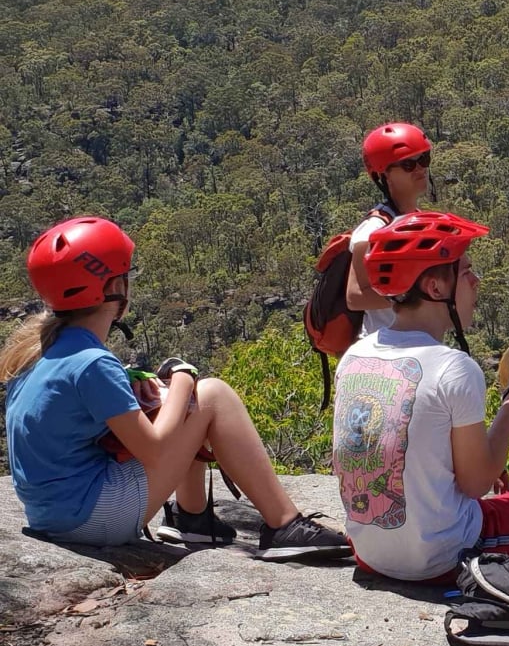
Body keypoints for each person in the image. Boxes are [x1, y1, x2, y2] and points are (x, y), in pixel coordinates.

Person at [2, 217, 351, 560]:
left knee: (174, 403)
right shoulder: (93, 362)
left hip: (53, 516)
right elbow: (155, 450)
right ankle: (284, 524)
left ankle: (194, 519)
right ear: (113, 288)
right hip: (92, 520)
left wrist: (159, 392)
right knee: (211, 394)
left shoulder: (41, 352)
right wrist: (184, 376)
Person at [331, 210, 509, 583]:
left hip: (369, 554)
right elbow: (476, 483)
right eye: (466, 272)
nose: (477, 281)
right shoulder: (453, 367)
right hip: (442, 560)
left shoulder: (354, 356)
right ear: (435, 288)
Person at [346, 122, 432, 339]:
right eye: (408, 164)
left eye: (423, 159)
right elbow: (355, 296)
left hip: (415, 342)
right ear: (384, 175)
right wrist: (414, 294)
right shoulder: (373, 230)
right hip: (382, 346)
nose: (420, 168)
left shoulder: (418, 219)